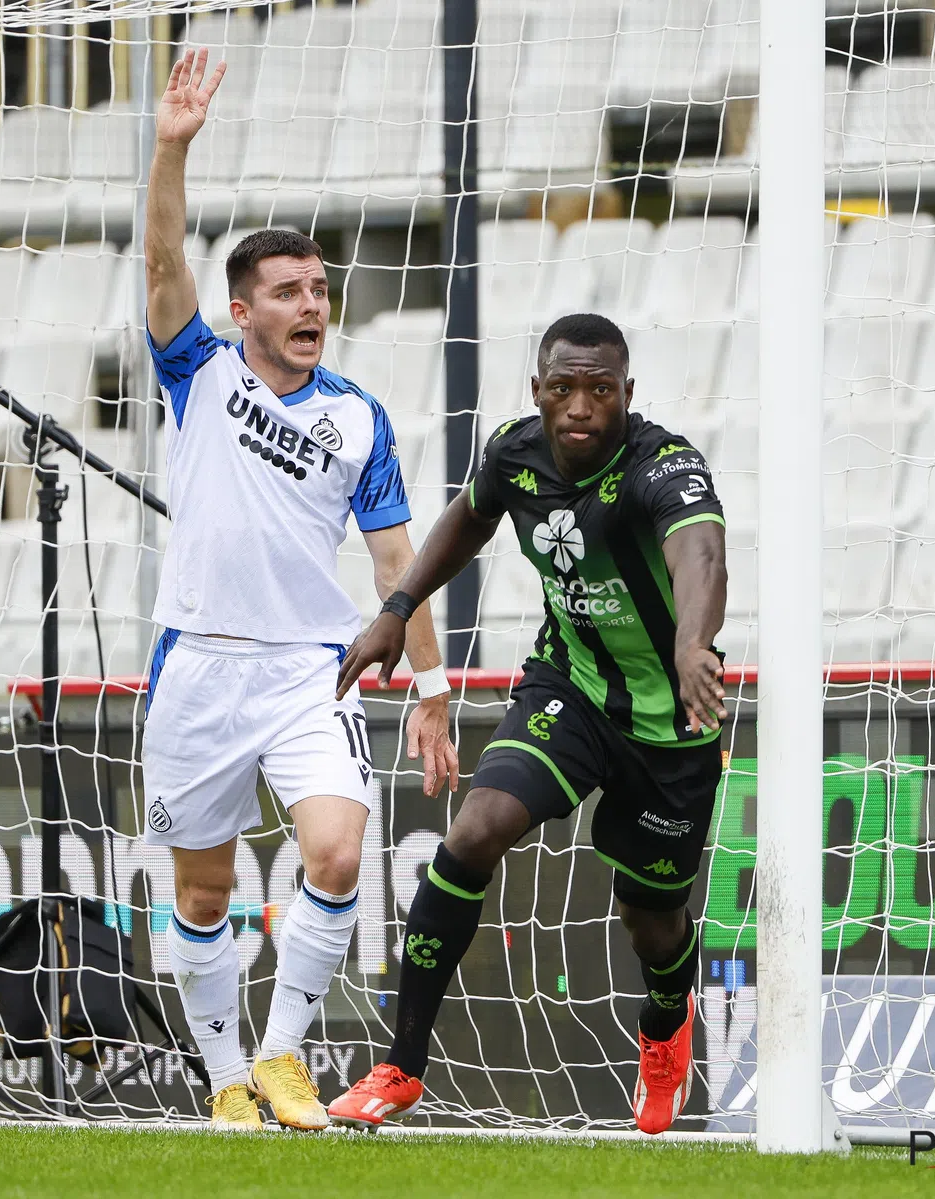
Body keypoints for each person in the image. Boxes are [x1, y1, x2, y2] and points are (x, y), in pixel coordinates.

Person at [142, 49, 460, 1131]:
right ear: (241, 312)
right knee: (200, 894)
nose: (311, 302)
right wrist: (172, 147)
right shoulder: (199, 372)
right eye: (287, 291)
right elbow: (157, 269)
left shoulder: (358, 416)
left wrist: (428, 683)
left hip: (307, 667)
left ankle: (282, 1058)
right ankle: (224, 1074)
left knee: (333, 846)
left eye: (320, 288)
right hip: (197, 660)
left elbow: (395, 564)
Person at [326, 313, 730, 1136]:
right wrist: (399, 607)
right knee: (475, 830)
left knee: (652, 919)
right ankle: (402, 1064)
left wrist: (692, 643)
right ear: (537, 391)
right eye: (561, 388)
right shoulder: (515, 453)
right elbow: (469, 518)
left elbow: (701, 554)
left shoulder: (665, 464)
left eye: (600, 390)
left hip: (670, 719)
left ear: (626, 394)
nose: (579, 406)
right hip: (570, 690)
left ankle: (664, 1029)